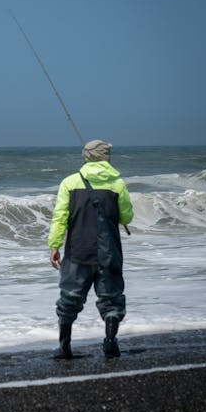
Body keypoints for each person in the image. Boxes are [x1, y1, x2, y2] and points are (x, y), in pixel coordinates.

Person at [48, 140, 133, 359]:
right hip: (109, 252)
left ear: (85, 156)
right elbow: (127, 217)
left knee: (69, 299)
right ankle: (110, 342)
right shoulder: (117, 184)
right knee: (111, 299)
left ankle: (64, 347)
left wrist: (54, 245)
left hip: (78, 252)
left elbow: (60, 218)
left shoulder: (70, 182)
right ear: (105, 157)